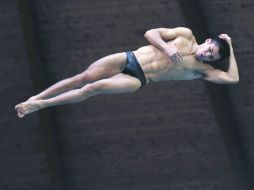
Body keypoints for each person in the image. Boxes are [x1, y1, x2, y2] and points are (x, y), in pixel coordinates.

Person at [15, 27, 239, 118]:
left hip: (139, 79)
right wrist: (167, 47)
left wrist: (231, 47)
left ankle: (40, 105)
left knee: (93, 88)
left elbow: (232, 78)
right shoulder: (185, 35)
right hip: (130, 57)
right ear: (208, 41)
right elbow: (151, 33)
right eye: (210, 50)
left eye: (212, 57)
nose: (207, 55)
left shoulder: (201, 70)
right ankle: (36, 97)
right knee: (81, 78)